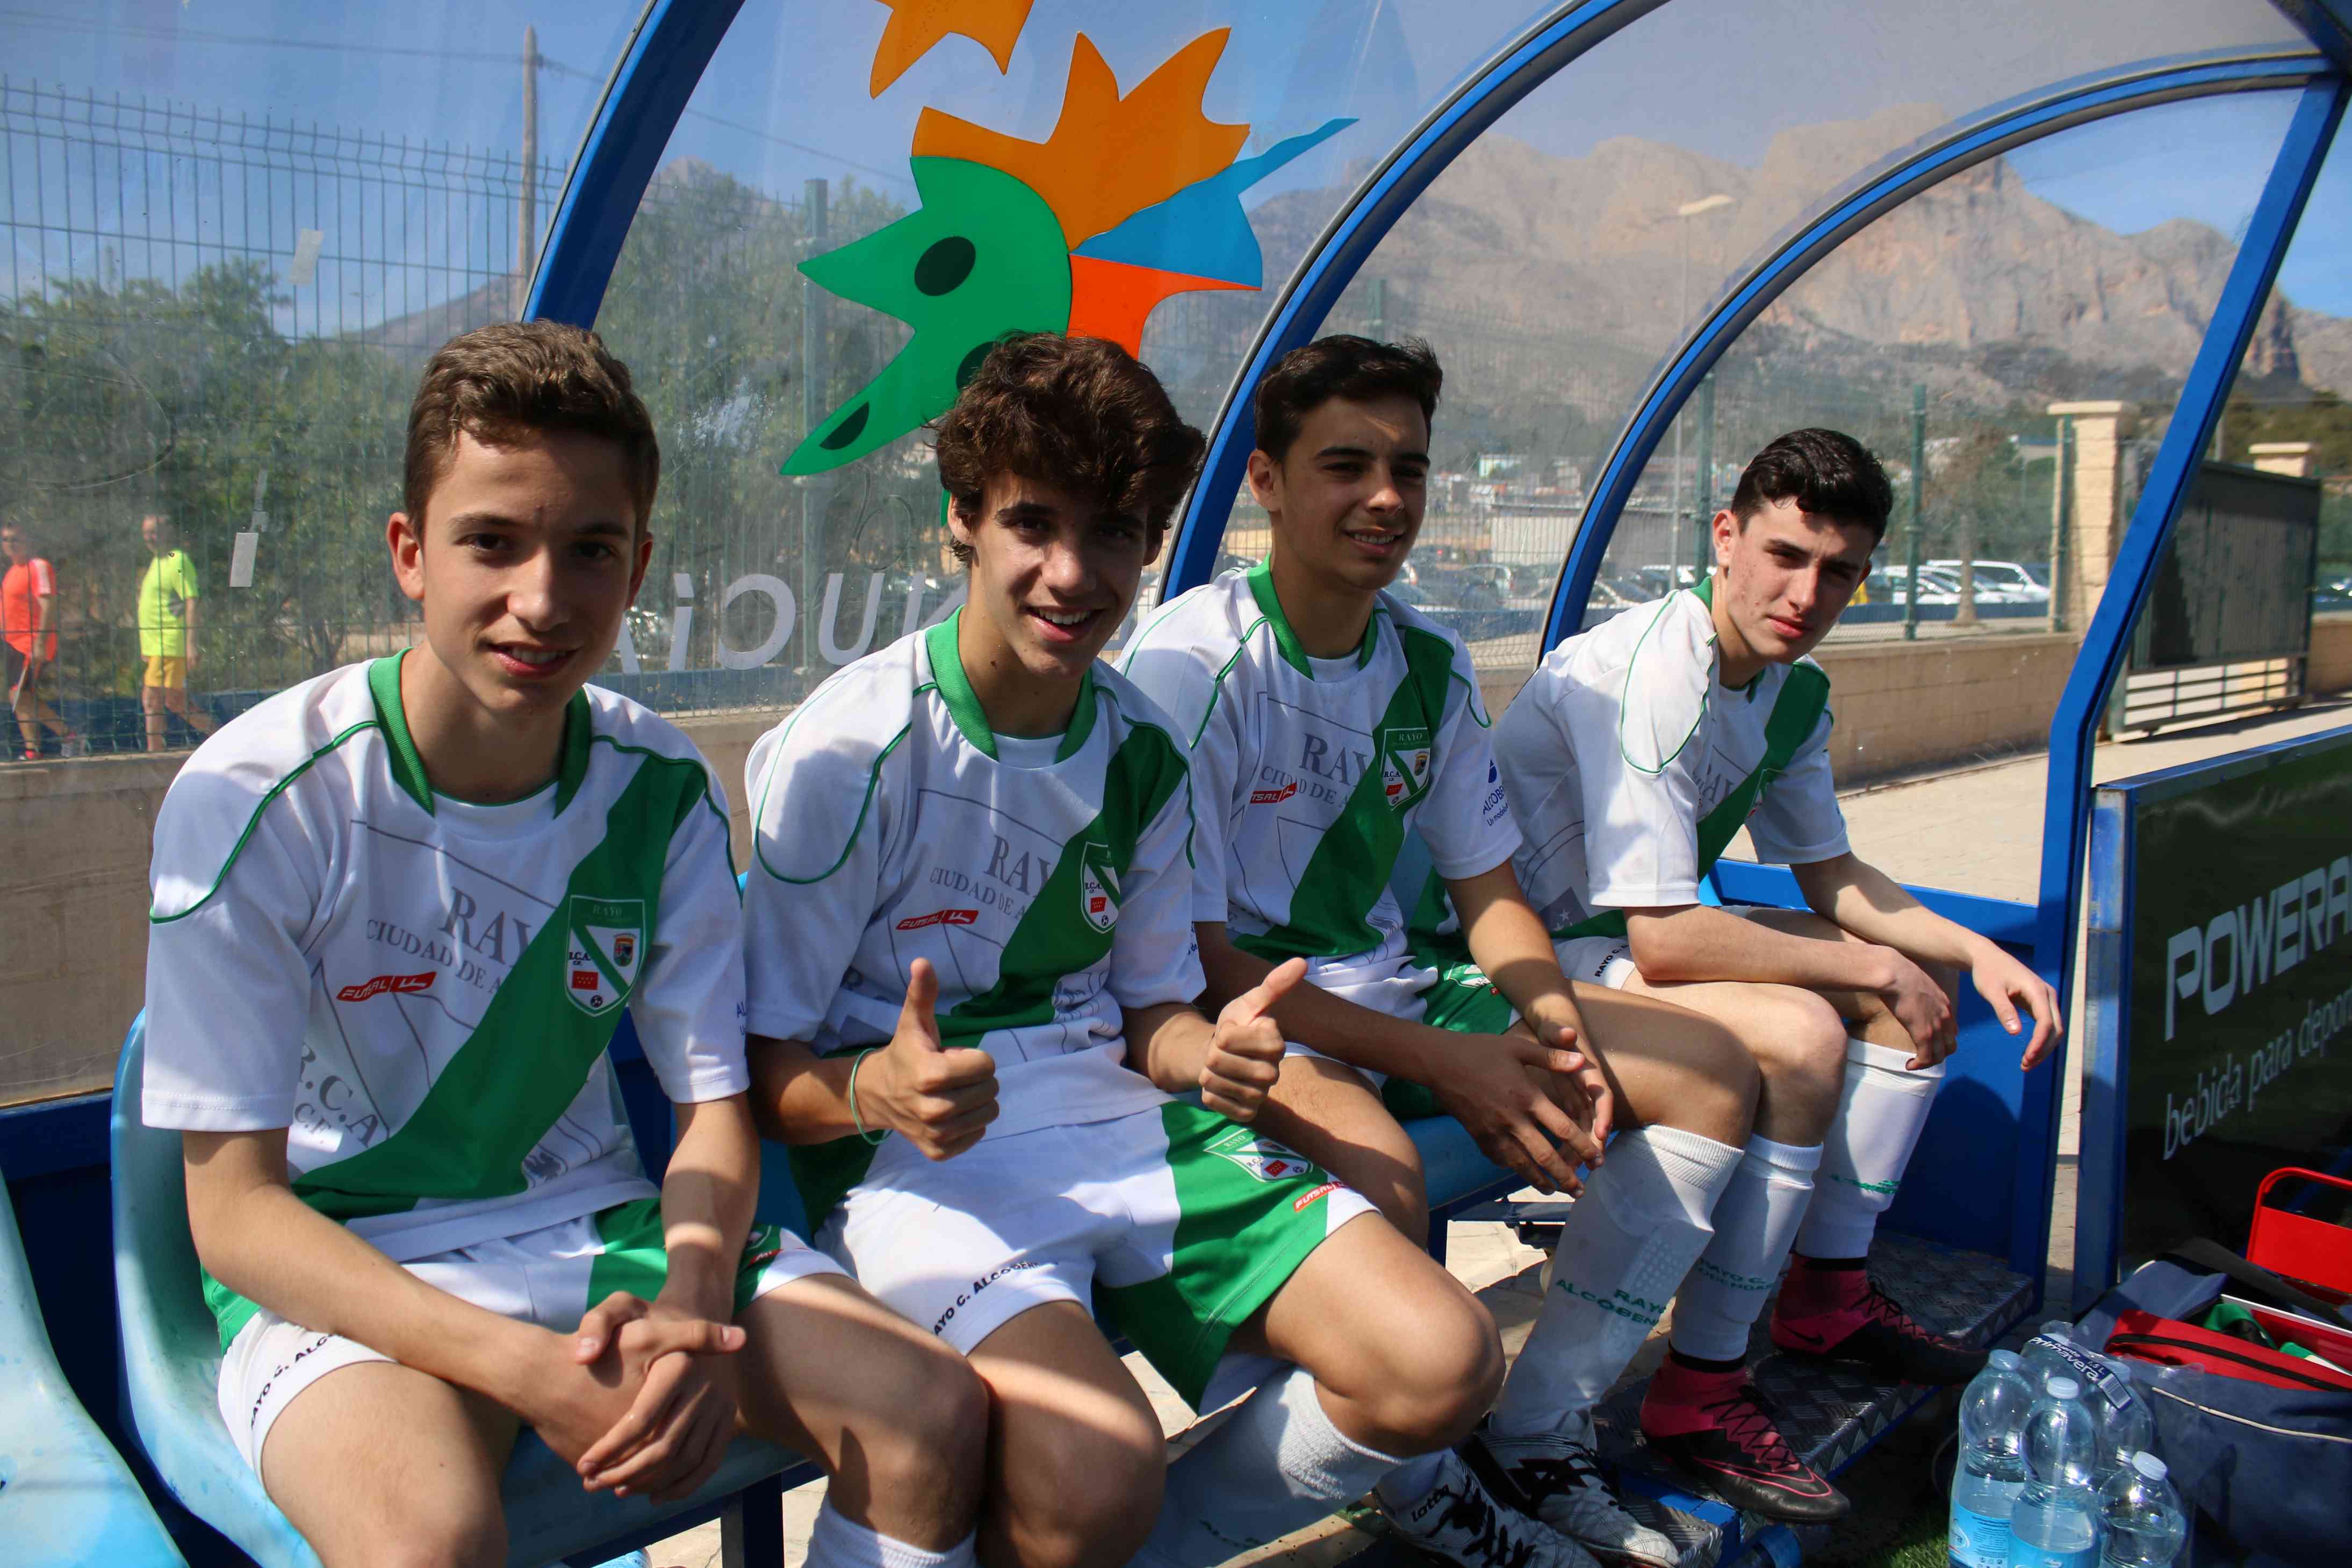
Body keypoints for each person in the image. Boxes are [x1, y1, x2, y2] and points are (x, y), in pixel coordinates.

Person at [142, 321, 988, 1568]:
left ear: (636, 566)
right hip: (349, 1261)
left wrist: (692, 1312)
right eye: (492, 540)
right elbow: (234, 1214)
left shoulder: (659, 785)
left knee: (931, 1413)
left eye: (589, 548)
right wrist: (530, 1369)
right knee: (429, 1539)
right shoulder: (256, 793)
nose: (542, 600)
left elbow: (713, 1113)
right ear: (409, 552)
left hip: (601, 1230)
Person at [742, 332, 1511, 1568]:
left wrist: (1212, 1053)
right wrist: (873, 1088)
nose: (1070, 573)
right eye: (1031, 524)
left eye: (1112, 533)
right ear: (960, 523)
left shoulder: (1142, 743)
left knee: (1442, 1361)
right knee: (1095, 1471)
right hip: (923, 1162)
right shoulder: (850, 748)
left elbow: (1152, 1012)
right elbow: (758, 1073)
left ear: (1151, 543)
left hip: (1119, 1120)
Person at [1123, 334, 1763, 1566]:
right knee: (1385, 1172)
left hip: (1390, 996)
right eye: (1346, 465)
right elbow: (1195, 962)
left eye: (1408, 468)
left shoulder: (1425, 658)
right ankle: (1415, 1484)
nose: (1385, 497)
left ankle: (1537, 1429)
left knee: (1708, 1071)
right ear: (1265, 481)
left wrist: (1554, 1032)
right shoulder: (1192, 658)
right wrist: (1453, 1063)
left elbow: (1491, 896)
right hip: (1245, 1017)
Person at [1491, 427, 2063, 1519]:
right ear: (1725, 536)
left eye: (1838, 571)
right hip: (1510, 954)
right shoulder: (1649, 668)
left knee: (1903, 992)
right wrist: (1874, 962)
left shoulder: (1789, 689)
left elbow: (1830, 873)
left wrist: (1973, 952)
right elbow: (1667, 938)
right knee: (1805, 1030)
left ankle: (1826, 1297)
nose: (1805, 594)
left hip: (1611, 943)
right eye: (1784, 555)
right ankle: (1700, 1386)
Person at [1, 520, 84, 759]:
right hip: (13, 645)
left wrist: (39, 643)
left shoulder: (38, 566)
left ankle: (68, 736)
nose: (10, 544)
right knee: (20, 697)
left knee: (20, 697)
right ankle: (33, 750)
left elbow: (48, 604)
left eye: (15, 539)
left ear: (28, 541)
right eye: (6, 540)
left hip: (31, 643)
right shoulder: (12, 571)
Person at [137, 512, 218, 752]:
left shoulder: (178, 560)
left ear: (168, 533)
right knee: (175, 702)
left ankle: (153, 755)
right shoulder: (156, 562)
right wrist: (146, 648)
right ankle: (224, 737)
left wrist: (191, 644)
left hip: (171, 643)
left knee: (151, 699)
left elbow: (192, 600)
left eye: (154, 532)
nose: (149, 538)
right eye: (146, 533)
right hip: (156, 647)